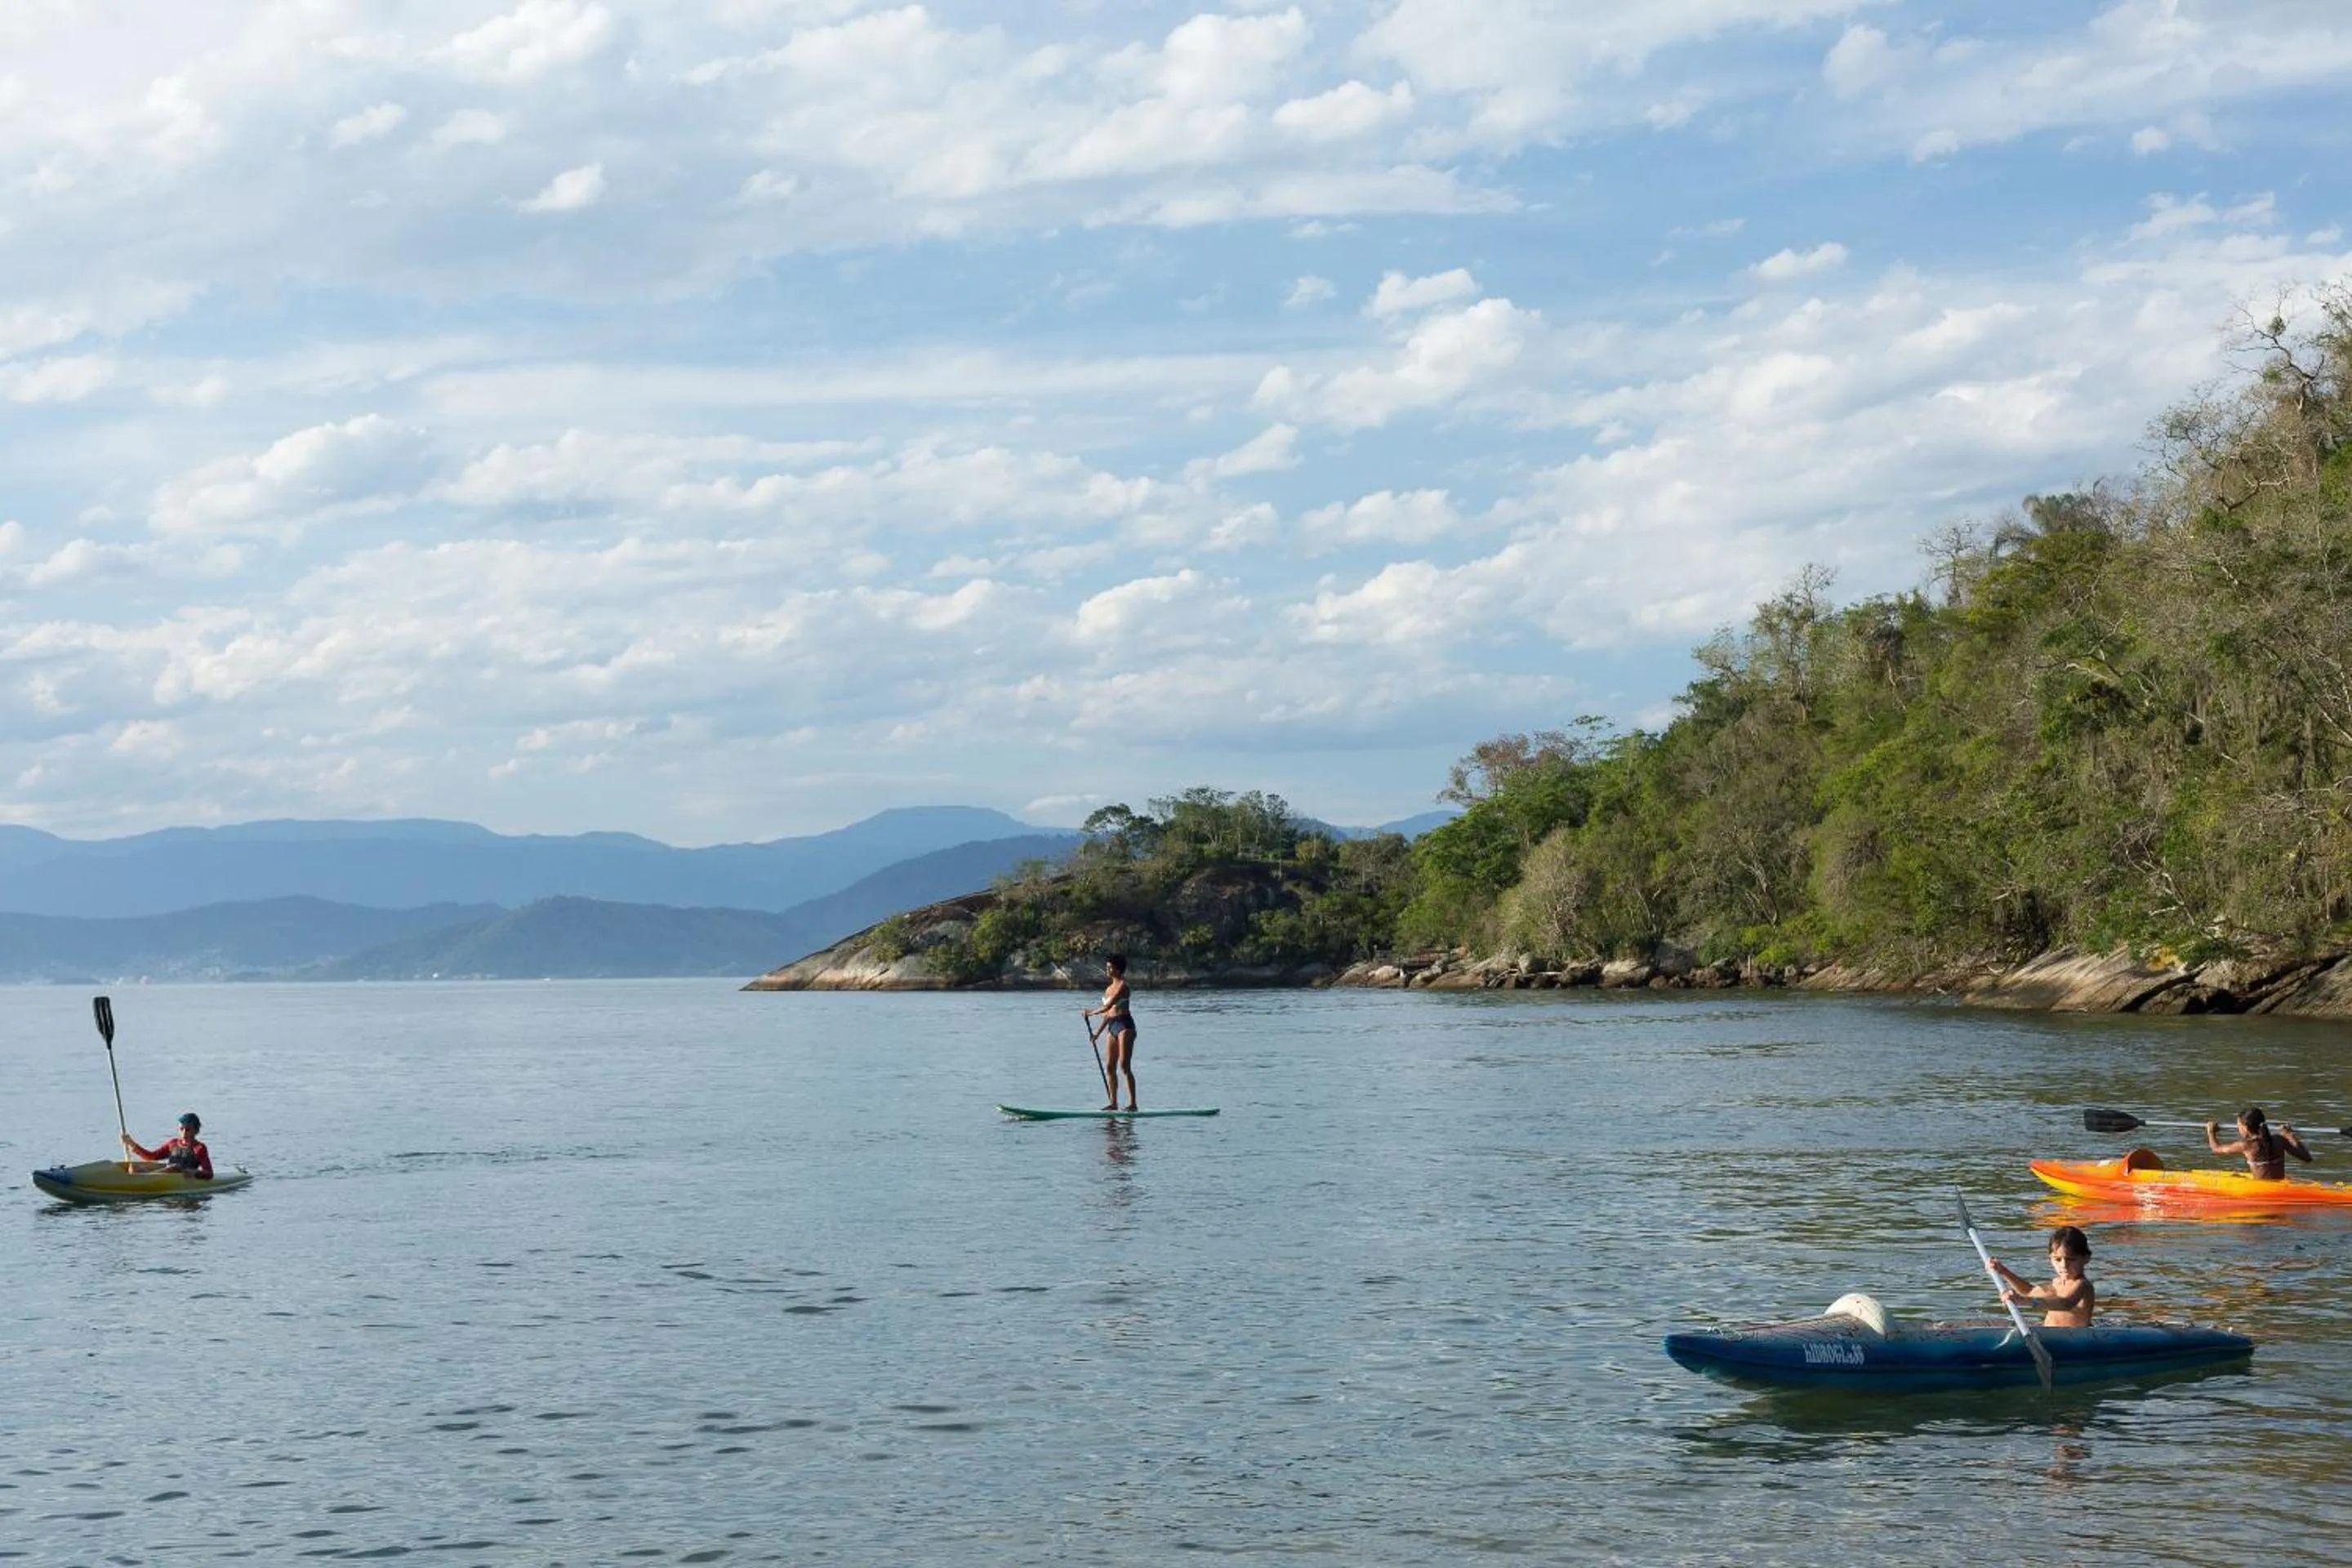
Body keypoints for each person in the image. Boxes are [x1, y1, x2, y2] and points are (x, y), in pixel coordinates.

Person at [1991, 1225, 2094, 1327]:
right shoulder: (2056, 1283)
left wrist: (2025, 1301)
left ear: (2086, 1258)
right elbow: (2029, 1292)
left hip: (2075, 1336)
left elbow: (2065, 1304)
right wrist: (2003, 1271)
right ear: (2050, 1259)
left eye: (2071, 1259)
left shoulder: (2083, 1285)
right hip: (2049, 1332)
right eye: (2058, 1259)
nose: (2064, 1265)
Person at [1081, 954, 1138, 1112]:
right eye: (1107, 967)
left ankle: (1133, 1104)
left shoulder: (1123, 986)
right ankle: (1113, 1104)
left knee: (1124, 1065)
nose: (1107, 970)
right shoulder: (1108, 989)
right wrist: (1097, 1034)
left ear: (1118, 970)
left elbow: (1108, 1006)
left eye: (1110, 967)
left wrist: (1090, 1012)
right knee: (1109, 1067)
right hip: (1112, 1026)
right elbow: (1108, 1014)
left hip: (1125, 1025)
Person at [2205, 1106, 2311, 1180]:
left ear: (2246, 1128)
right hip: (2279, 1186)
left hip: (2262, 1190)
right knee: (2237, 1175)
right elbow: (2307, 1158)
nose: (2238, 1129)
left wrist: (2211, 1132)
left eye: (2239, 1126)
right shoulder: (2280, 1140)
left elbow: (2216, 1149)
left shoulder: (2246, 1145)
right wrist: (2289, 1135)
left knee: (2234, 1176)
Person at [122, 1112, 212, 1181]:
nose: (184, 1133)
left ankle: (144, 1179)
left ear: (196, 1131)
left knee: (176, 1167)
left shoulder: (199, 1148)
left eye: (188, 1130)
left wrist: (195, 1173)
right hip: (167, 1173)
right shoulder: (173, 1143)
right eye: (181, 1129)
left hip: (183, 1176)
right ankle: (141, 1178)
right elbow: (152, 1156)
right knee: (135, 1167)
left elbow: (209, 1173)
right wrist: (131, 1144)